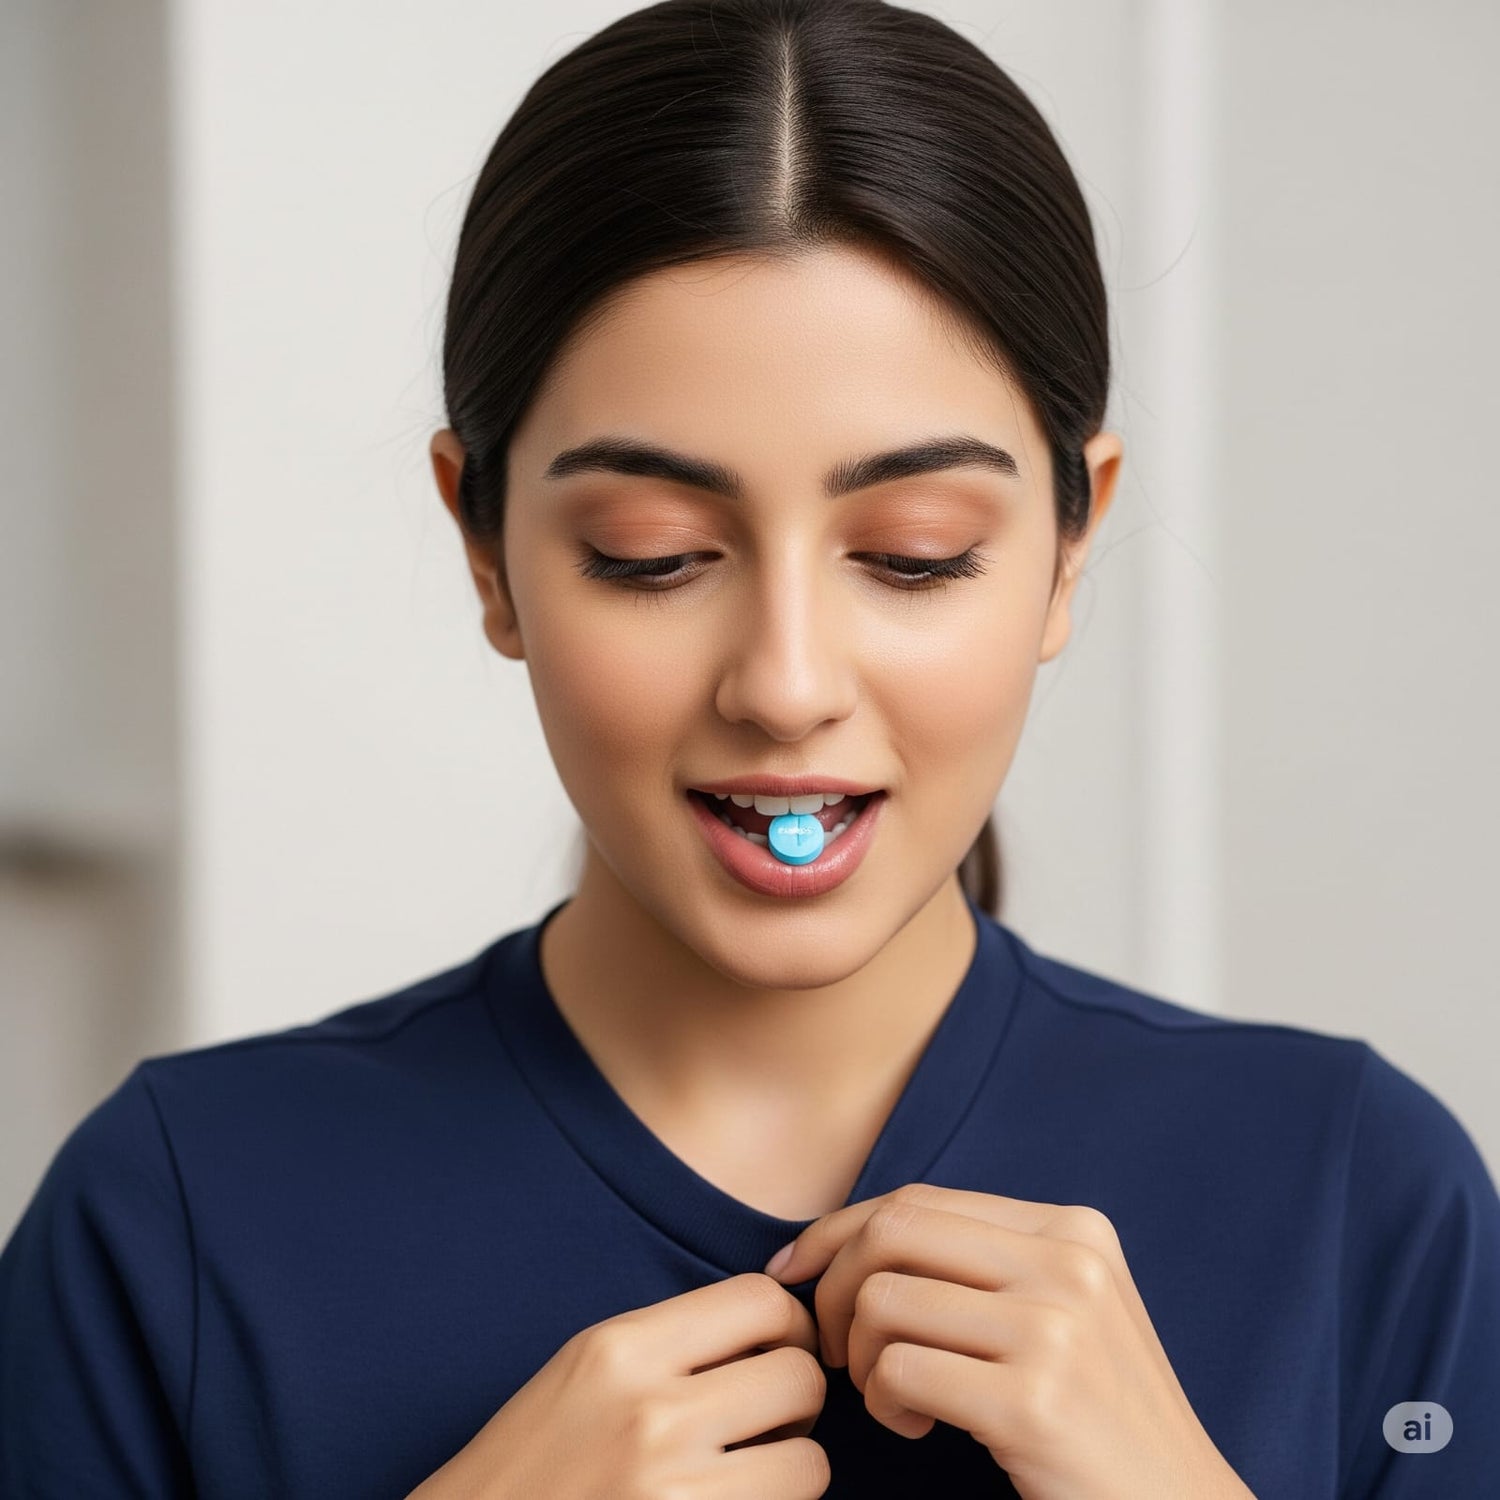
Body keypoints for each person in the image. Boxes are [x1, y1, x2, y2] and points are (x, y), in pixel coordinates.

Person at [4, 0, 1498, 1495]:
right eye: (651, 555)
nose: (785, 686)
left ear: (1068, 544)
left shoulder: (1364, 1198)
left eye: (914, 555)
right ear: (485, 551)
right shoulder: (168, 1227)